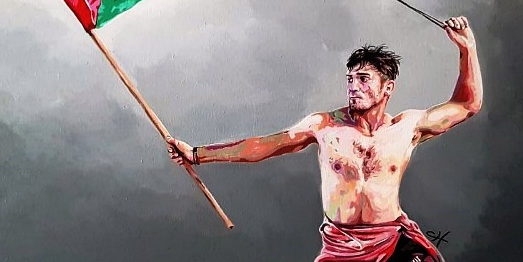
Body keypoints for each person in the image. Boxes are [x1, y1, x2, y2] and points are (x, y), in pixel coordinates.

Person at [167, 16, 482, 262]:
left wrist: (467, 49)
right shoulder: (325, 126)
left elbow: (467, 104)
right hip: (342, 247)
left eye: (363, 79)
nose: (353, 87)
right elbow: (264, 146)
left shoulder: (406, 127)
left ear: (387, 89)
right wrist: (197, 154)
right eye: (350, 80)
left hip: (393, 240)